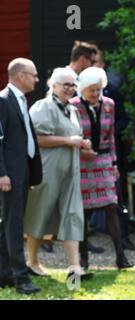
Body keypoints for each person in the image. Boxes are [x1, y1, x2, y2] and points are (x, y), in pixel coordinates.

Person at [24, 68, 94, 281]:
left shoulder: (72, 110)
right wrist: (67, 141)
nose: (70, 89)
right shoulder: (43, 107)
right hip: (47, 171)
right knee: (40, 213)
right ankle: (33, 261)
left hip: (70, 172)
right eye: (66, 85)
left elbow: (72, 137)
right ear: (53, 85)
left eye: (73, 85)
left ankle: (75, 268)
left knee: (73, 215)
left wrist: (82, 144)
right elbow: (36, 137)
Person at [69, 67, 133, 270]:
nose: (96, 94)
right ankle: (84, 260)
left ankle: (121, 258)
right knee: (83, 212)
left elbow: (112, 136)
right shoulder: (73, 106)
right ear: (82, 89)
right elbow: (70, 134)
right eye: (91, 90)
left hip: (104, 160)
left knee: (112, 207)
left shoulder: (109, 104)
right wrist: (80, 150)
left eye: (98, 89)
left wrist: (114, 163)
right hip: (82, 163)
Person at [0, 58, 42, 294]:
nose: (36, 79)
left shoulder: (21, 100)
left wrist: (30, 175)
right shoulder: (3, 100)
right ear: (19, 75)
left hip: (22, 172)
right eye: (33, 74)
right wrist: (2, 174)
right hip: (10, 174)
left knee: (7, 223)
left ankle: (4, 273)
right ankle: (21, 278)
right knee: (14, 226)